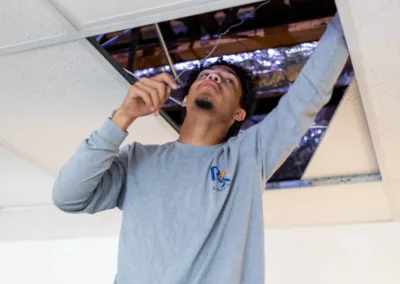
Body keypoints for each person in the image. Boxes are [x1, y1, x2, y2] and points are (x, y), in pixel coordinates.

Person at [53, 13, 348, 284]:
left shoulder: (247, 156)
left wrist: (346, 17)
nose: (214, 77)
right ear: (185, 99)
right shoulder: (137, 159)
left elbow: (308, 95)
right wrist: (123, 116)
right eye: (206, 76)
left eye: (227, 81)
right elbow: (68, 198)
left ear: (238, 113)